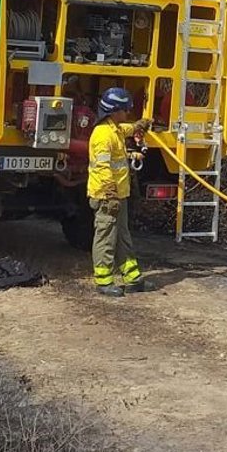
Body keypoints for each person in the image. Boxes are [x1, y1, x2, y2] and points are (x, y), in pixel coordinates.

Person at [87, 87, 152, 297]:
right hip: (107, 197)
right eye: (125, 110)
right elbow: (102, 168)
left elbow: (126, 129)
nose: (127, 113)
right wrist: (110, 194)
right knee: (106, 237)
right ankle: (104, 281)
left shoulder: (114, 129)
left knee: (123, 236)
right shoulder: (103, 135)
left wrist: (138, 127)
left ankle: (132, 278)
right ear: (114, 111)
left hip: (119, 195)